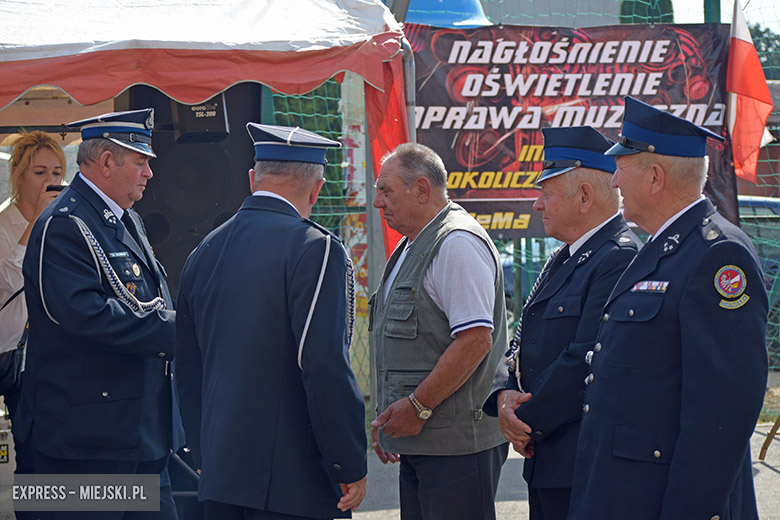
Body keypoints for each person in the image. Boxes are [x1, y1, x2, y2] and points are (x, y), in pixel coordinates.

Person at [568, 96, 769, 519]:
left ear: (655, 176)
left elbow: (722, 414)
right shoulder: (663, 249)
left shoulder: (718, 255)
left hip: (665, 500)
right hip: (625, 491)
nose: (615, 181)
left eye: (621, 167)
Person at [175, 123, 368, 520]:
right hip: (292, 483)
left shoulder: (203, 251)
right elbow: (324, 365)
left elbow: (188, 366)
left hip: (219, 474)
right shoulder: (316, 249)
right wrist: (347, 463)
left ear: (252, 179)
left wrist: (201, 451)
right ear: (316, 188)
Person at [15, 109, 185, 520]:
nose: (149, 173)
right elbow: (84, 315)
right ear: (107, 161)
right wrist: (182, 329)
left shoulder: (126, 219)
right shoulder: (63, 224)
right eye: (141, 161)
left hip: (137, 433)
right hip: (87, 442)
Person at [482, 126, 639, 520]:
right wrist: (503, 396)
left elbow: (585, 357)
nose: (537, 205)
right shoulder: (566, 256)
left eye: (546, 193)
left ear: (584, 196)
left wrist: (524, 420)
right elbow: (522, 338)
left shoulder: (617, 257)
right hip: (550, 457)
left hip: (582, 461)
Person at [369, 142, 508, 520]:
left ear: (422, 189)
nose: (378, 202)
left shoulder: (456, 243)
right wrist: (389, 420)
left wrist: (416, 407)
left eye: (386, 190)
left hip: (457, 448)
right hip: (425, 442)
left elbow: (476, 340)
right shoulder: (413, 245)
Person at [0, 131, 65, 520]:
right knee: (26, 447)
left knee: (43, 448)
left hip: (48, 354)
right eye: (40, 171)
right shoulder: (5, 224)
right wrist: (37, 220)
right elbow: (13, 278)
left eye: (57, 171)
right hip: (11, 352)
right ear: (19, 175)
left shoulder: (62, 222)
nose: (49, 180)